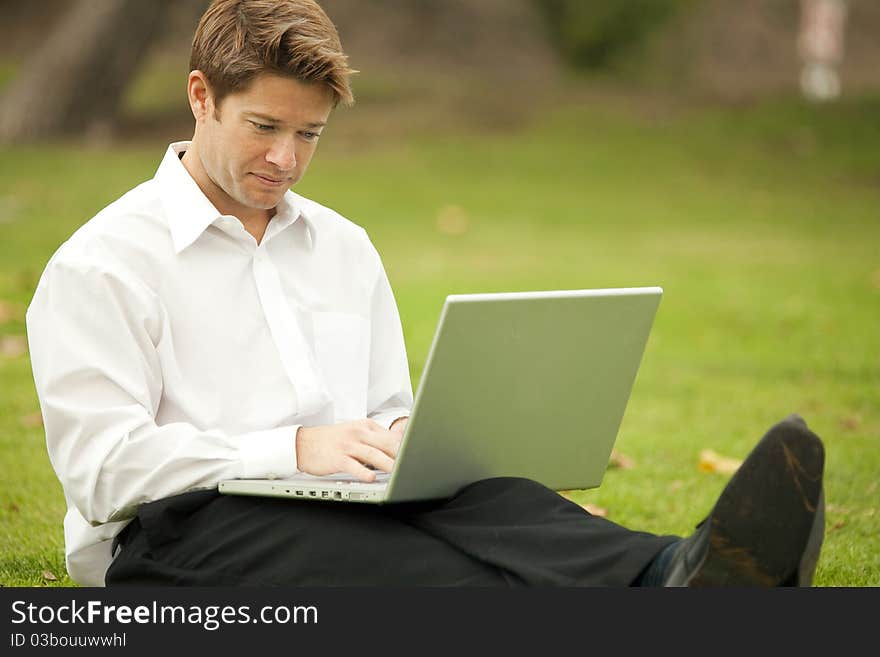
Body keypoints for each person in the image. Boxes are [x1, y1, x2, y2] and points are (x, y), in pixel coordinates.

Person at [25, 0, 826, 588]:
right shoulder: (101, 264)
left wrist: (440, 454)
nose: (287, 159)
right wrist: (292, 450)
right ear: (202, 97)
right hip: (180, 531)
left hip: (344, 495)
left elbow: (385, 411)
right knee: (398, 560)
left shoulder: (342, 246)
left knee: (497, 498)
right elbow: (104, 470)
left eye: (310, 135)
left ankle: (681, 571)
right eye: (264, 126)